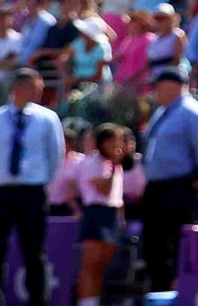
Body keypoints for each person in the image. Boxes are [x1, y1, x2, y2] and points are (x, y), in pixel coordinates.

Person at [0, 69, 63, 306]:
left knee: (34, 252)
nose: (39, 91)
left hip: (31, 191)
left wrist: (39, 178)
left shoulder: (47, 118)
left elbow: (55, 154)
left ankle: (38, 302)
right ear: (18, 88)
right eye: (34, 86)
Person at [141, 66, 198, 291]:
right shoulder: (161, 112)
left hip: (178, 188)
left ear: (173, 85)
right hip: (155, 189)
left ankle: (176, 293)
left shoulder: (192, 112)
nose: (155, 91)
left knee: (174, 246)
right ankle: (158, 292)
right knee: (154, 246)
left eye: (159, 86)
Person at [72, 123, 129, 306]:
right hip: (95, 214)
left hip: (111, 215)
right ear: (104, 142)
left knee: (102, 266)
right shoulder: (92, 163)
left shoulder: (114, 165)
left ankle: (94, 302)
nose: (119, 144)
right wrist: (114, 165)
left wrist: (121, 218)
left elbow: (116, 196)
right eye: (115, 140)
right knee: (90, 265)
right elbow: (105, 189)